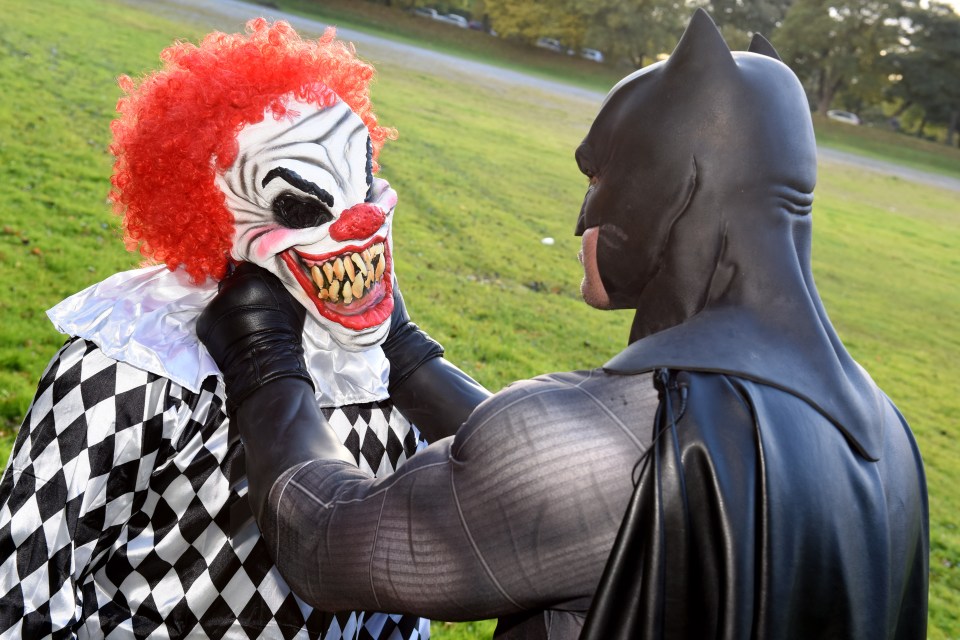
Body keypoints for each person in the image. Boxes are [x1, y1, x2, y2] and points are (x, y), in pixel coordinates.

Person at [197, 10, 929, 640]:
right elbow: (575, 490)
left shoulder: (606, 446)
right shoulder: (881, 434)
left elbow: (325, 540)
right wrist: (406, 349)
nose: (583, 210)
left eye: (598, 175)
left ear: (671, 191)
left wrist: (264, 359)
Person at [0, 20, 480, 640]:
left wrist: (408, 354)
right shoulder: (130, 361)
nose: (359, 221)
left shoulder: (376, 356)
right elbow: (21, 589)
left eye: (362, 178)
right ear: (213, 209)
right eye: (301, 206)